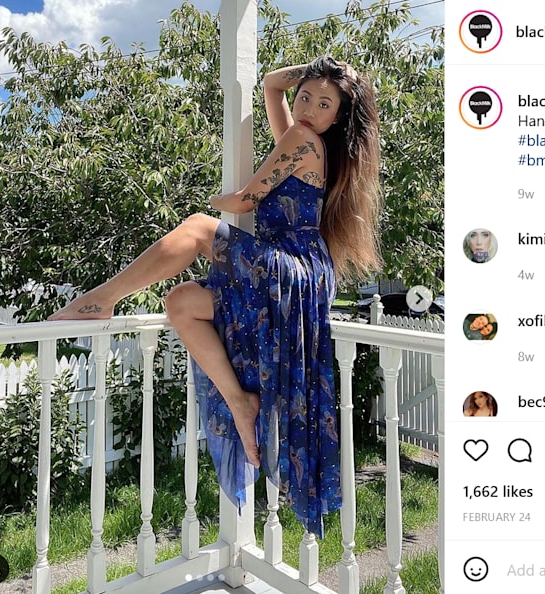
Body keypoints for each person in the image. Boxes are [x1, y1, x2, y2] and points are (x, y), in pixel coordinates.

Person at [48, 56, 381, 537]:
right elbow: (271, 85)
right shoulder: (306, 139)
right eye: (305, 96)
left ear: (338, 117)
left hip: (292, 269)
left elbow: (244, 201)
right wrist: (322, 69)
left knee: (200, 228)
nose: (308, 107)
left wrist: (216, 201)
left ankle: (100, 299)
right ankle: (241, 402)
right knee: (182, 301)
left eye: (324, 103)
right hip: (302, 275)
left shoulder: (301, 139)